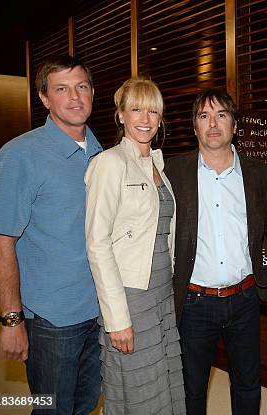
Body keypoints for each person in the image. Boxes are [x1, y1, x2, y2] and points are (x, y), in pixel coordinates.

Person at [165, 88, 267, 414]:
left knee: (247, 387)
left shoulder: (257, 174)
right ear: (194, 127)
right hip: (194, 304)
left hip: (244, 301)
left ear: (234, 124)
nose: (213, 124)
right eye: (204, 116)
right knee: (191, 390)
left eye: (221, 115)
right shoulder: (173, 173)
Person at [0, 55, 102, 413]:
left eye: (81, 86)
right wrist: (11, 321)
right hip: (52, 320)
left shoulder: (103, 155)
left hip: (99, 312)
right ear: (44, 98)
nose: (74, 97)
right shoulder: (20, 154)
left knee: (85, 405)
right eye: (62, 89)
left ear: (93, 92)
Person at [84, 77, 185, 414]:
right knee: (138, 387)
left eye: (153, 111)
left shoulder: (157, 165)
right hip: (130, 295)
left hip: (161, 291)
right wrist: (116, 318)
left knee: (164, 380)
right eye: (136, 109)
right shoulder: (109, 163)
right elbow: (97, 244)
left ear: (160, 119)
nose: (145, 118)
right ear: (121, 115)